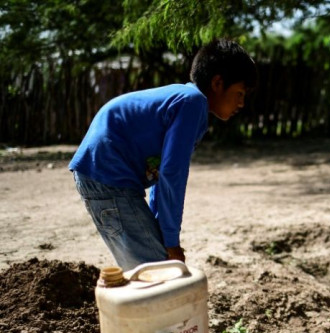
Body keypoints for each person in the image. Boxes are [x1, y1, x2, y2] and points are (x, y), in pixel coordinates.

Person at [69, 39, 257, 271]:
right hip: (109, 175)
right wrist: (172, 242)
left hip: (100, 174)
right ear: (218, 83)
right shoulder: (193, 103)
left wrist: (163, 234)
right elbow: (172, 174)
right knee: (160, 272)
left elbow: (160, 171)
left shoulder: (186, 101)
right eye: (239, 93)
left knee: (151, 268)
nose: (242, 103)